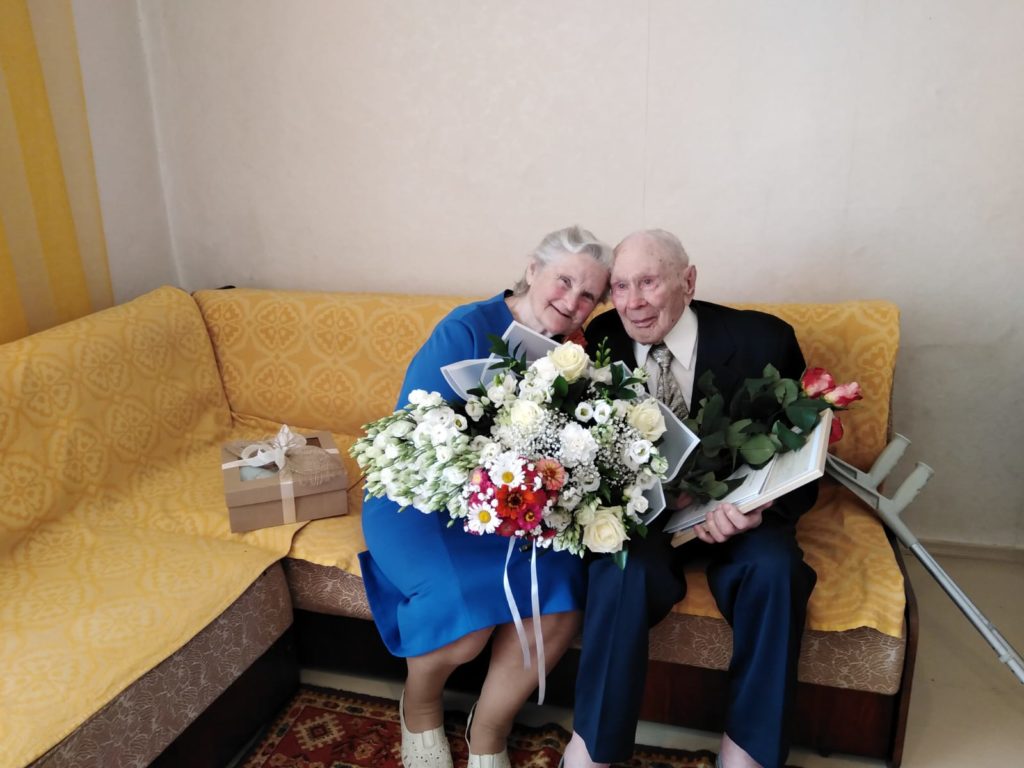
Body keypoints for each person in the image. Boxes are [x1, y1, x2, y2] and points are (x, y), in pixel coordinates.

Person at [358, 226, 613, 768]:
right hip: (424, 502)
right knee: (466, 622)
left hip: (518, 511)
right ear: (532, 270)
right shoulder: (466, 329)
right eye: (564, 280)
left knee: (561, 592)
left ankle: (490, 728)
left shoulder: (576, 355)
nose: (572, 301)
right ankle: (419, 705)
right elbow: (414, 441)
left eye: (589, 295)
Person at [564, 229, 818, 768]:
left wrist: (758, 509)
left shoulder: (764, 340)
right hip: (649, 519)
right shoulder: (597, 339)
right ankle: (592, 749)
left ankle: (747, 752)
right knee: (619, 569)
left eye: (649, 283)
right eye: (620, 286)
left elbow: (800, 456)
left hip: (739, 514)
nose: (632, 302)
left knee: (777, 572)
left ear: (688, 281)